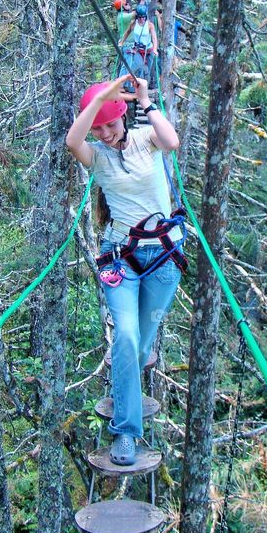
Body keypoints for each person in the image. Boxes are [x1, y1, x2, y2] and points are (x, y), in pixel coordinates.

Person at [66, 75, 184, 466]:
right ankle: (127, 431)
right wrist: (98, 100)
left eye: (111, 123)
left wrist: (148, 101)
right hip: (121, 256)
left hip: (164, 256)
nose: (104, 132)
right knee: (128, 339)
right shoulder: (95, 155)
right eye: (97, 126)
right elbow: (72, 142)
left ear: (125, 118)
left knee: (141, 342)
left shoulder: (147, 136)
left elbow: (173, 142)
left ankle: (131, 371)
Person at [120, 4, 159, 85]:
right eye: (140, 17)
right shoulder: (133, 24)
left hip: (149, 50)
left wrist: (155, 49)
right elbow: (127, 33)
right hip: (138, 50)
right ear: (137, 17)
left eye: (143, 17)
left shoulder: (150, 25)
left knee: (147, 70)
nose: (142, 19)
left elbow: (154, 38)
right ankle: (135, 86)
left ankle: (145, 87)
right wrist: (122, 42)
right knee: (139, 66)